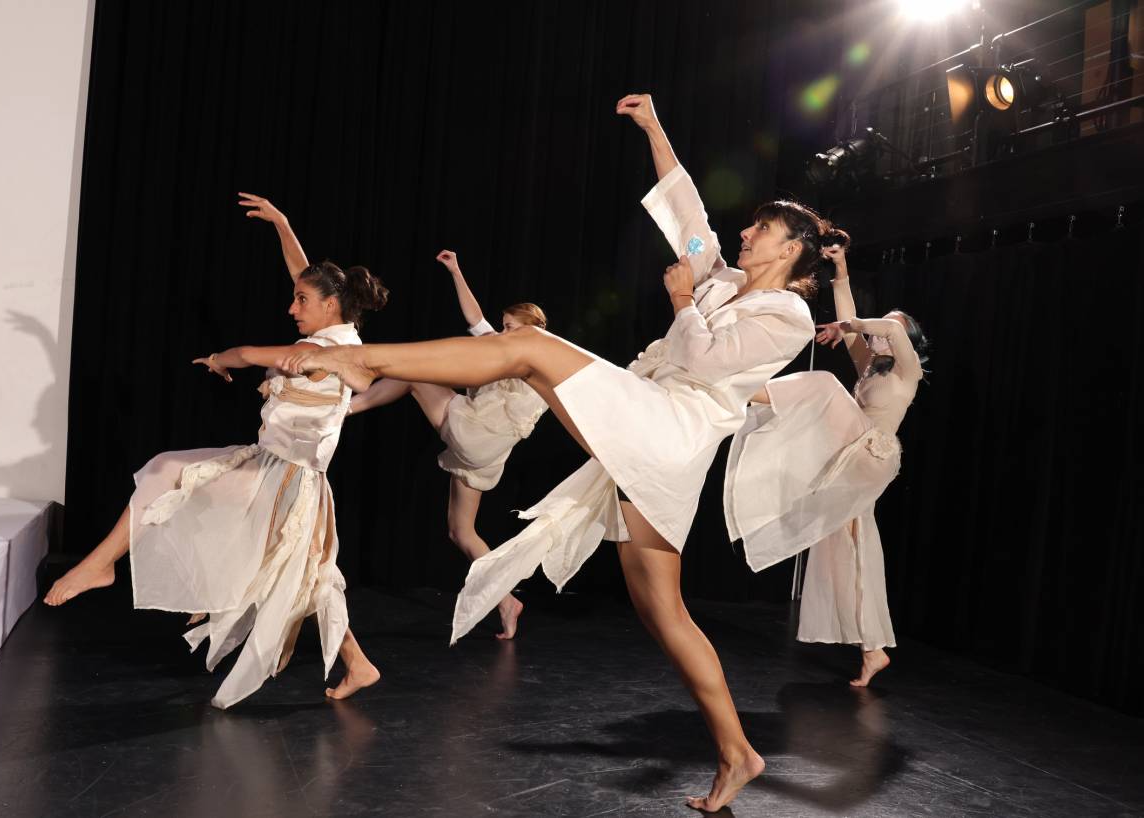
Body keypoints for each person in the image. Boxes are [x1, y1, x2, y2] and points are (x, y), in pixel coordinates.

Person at [282, 94, 836, 813]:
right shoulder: (724, 280)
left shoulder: (789, 316)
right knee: (663, 612)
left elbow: (703, 360)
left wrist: (681, 304)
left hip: (673, 430)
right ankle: (739, 753)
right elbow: (688, 215)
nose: (747, 232)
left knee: (530, 349)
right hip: (652, 437)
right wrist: (654, 128)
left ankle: (364, 359)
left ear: (790, 249)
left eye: (762, 229)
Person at [43, 194, 387, 708]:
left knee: (168, 474)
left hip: (285, 478)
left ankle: (101, 564)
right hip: (284, 470)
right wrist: (282, 224)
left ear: (329, 306)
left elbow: (248, 353)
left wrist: (220, 358)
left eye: (300, 301)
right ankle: (358, 663)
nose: (291, 308)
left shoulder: (320, 351)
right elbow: (307, 276)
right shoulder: (343, 335)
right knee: (302, 574)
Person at [726, 241, 928, 687]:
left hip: (871, 453)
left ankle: (745, 391)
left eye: (892, 328)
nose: (882, 334)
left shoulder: (907, 371)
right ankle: (873, 649)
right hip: (848, 451)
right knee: (848, 543)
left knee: (823, 386)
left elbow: (883, 329)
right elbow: (856, 324)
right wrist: (841, 269)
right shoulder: (872, 367)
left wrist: (850, 325)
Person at [346, 249, 549, 638]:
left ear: (531, 330)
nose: (502, 332)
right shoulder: (517, 353)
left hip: (474, 432)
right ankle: (507, 601)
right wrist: (456, 270)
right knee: (461, 532)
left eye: (510, 327)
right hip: (486, 457)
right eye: (504, 326)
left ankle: (347, 408)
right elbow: (476, 320)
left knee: (414, 374)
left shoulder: (529, 359)